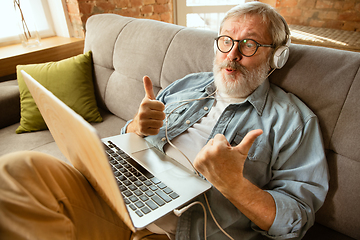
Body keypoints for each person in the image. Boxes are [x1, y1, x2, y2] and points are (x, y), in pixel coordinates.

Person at [0, 2, 328, 240]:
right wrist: (134, 128)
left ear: (276, 57)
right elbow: (134, 135)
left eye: (250, 44)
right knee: (17, 170)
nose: (232, 54)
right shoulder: (187, 85)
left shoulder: (293, 122)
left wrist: (234, 185)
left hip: (179, 231)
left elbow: (296, 220)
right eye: (227, 40)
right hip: (119, 194)